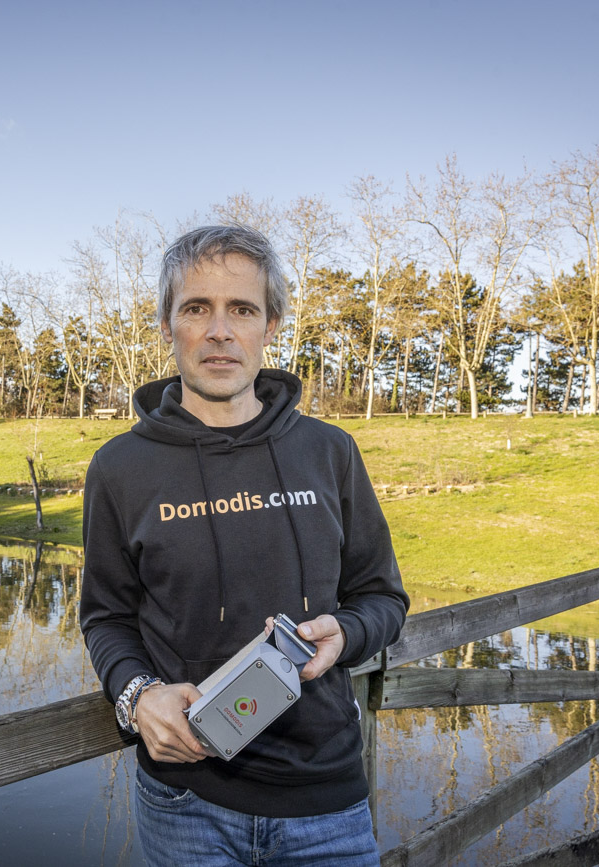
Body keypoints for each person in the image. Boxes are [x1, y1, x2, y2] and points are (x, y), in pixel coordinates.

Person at [78, 224, 409, 866]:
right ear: (168, 323)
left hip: (327, 806)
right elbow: (107, 618)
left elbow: (382, 598)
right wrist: (136, 696)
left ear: (272, 324)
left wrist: (346, 634)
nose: (220, 330)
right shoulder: (119, 469)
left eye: (242, 309)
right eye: (196, 308)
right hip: (186, 804)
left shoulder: (329, 452)